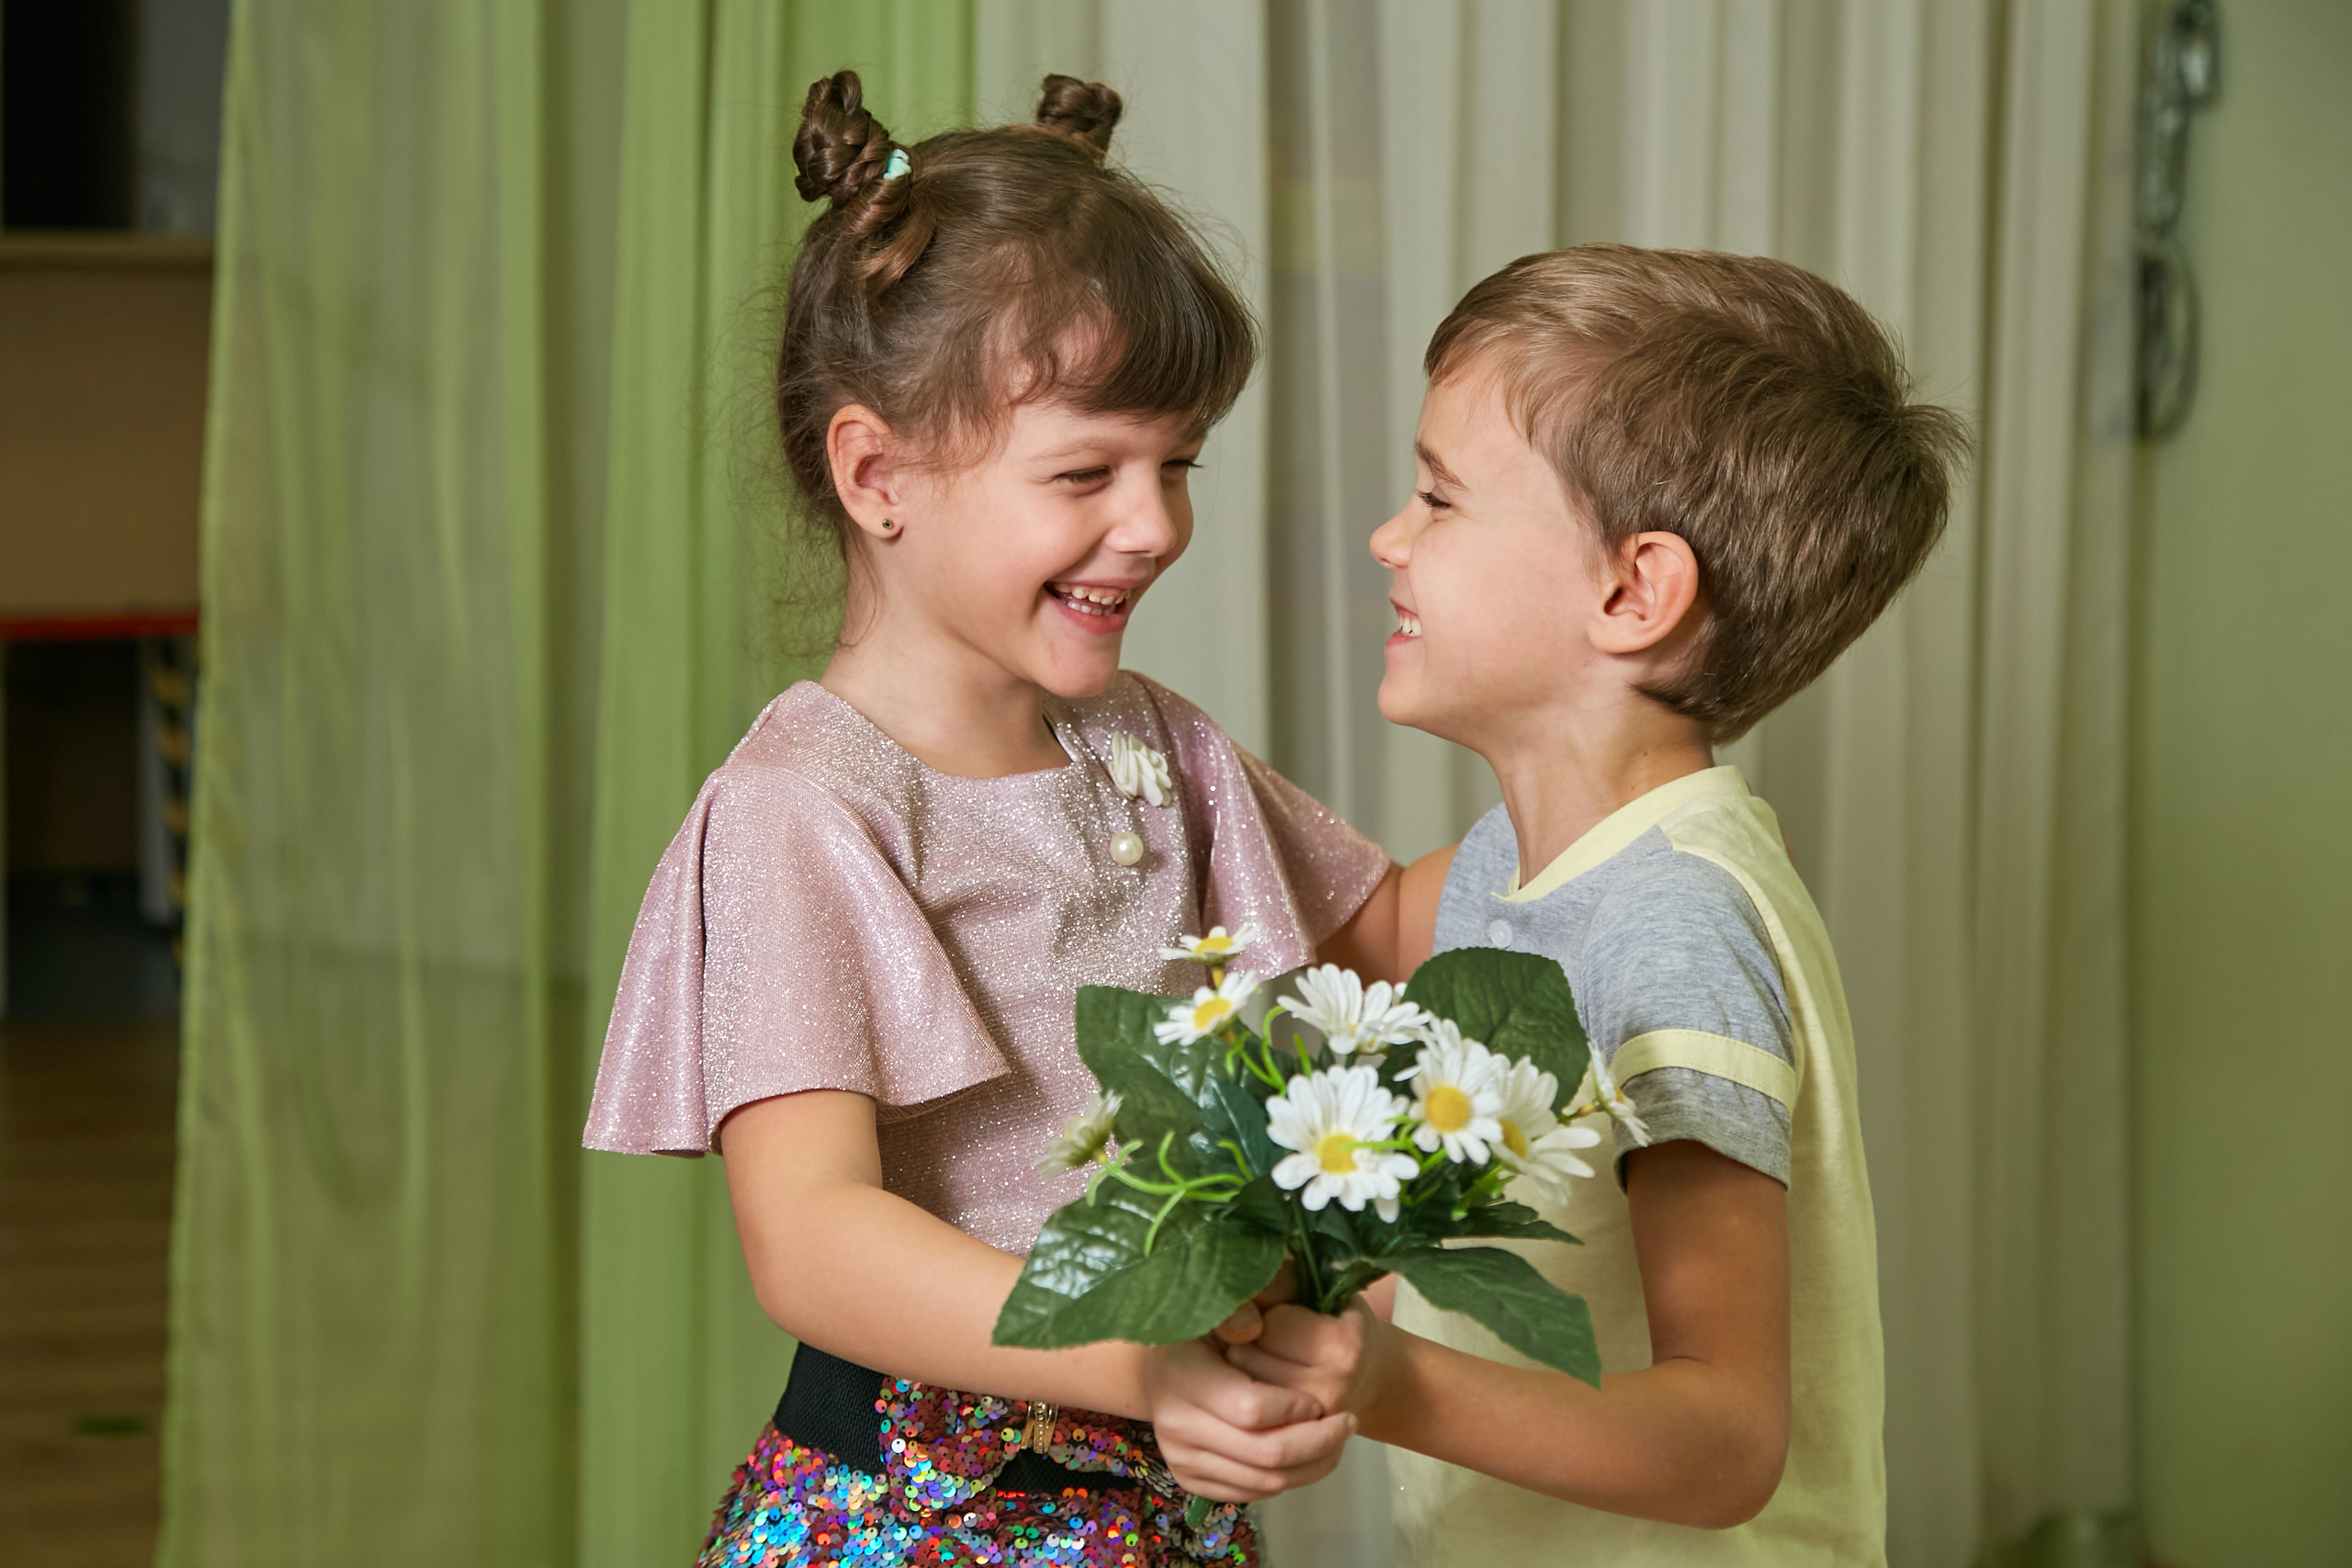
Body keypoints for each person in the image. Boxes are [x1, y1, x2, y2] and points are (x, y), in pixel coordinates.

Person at [582, 71, 1409, 1567]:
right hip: (913, 1518)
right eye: (1087, 471)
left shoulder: (1154, 744)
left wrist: (1614, 802)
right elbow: (816, 1239)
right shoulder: (802, 807)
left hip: (1160, 1507)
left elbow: (1391, 932)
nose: (1156, 523)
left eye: (1178, 465)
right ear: (876, 473)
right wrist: (1143, 1363)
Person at [1223, 244, 1967, 1565]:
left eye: (1439, 498)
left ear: (1634, 592)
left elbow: (1725, 1438)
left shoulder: (1670, 926)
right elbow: (1314, 924)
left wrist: (1387, 1380)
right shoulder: (1506, 871)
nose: (1390, 536)